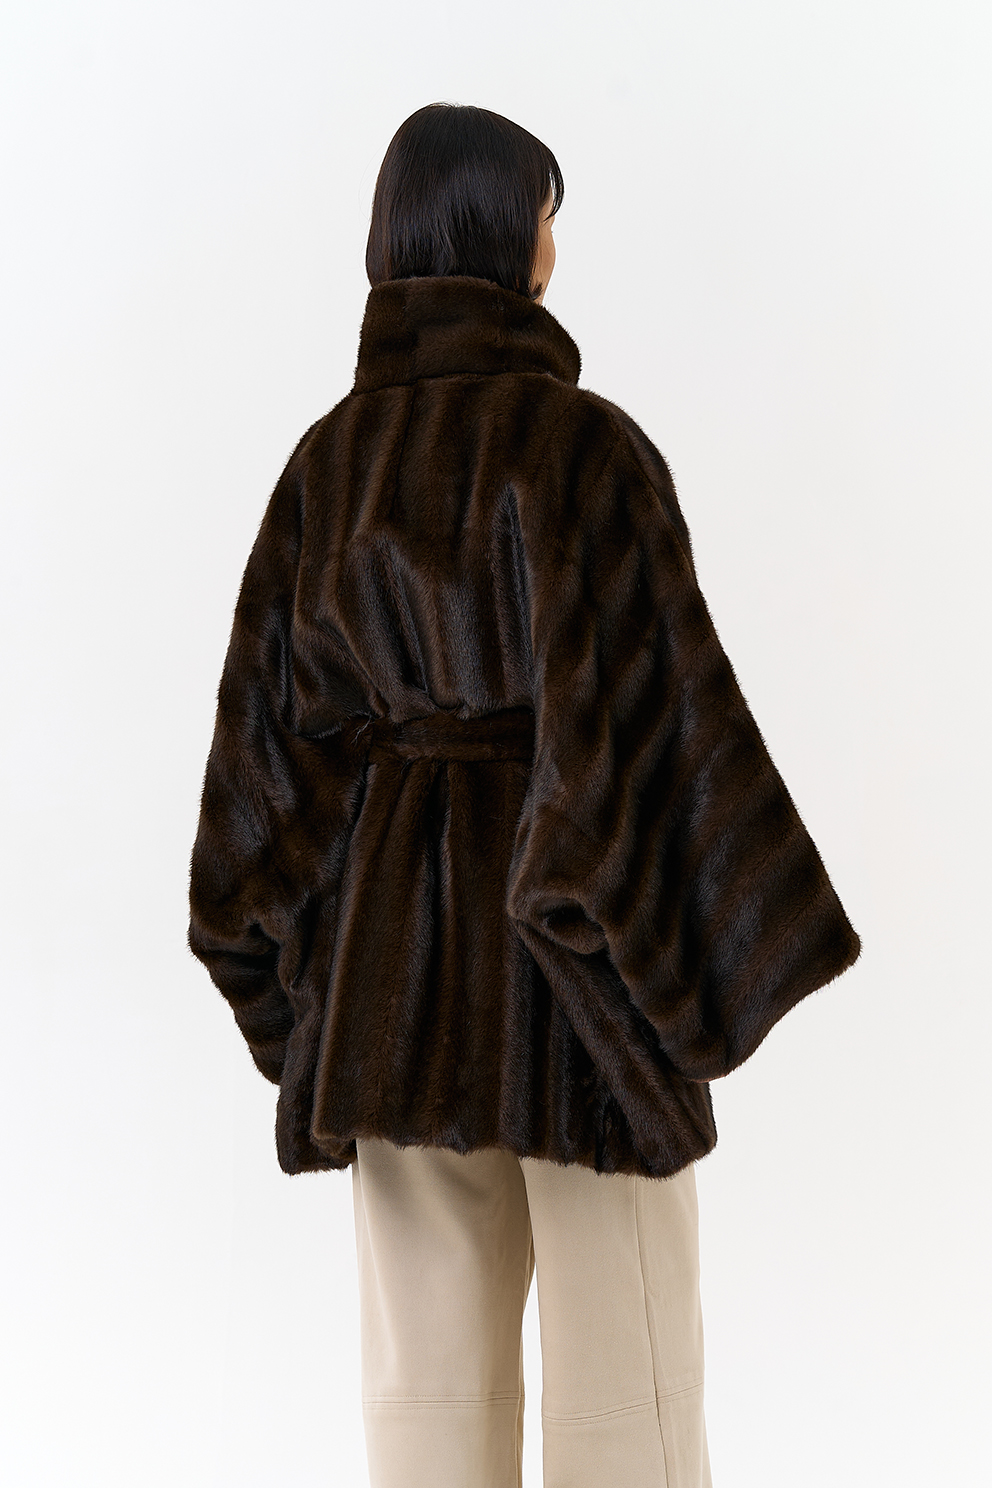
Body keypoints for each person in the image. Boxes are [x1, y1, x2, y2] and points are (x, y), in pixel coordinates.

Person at [187, 102, 861, 1488]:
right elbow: (663, 731)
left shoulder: (327, 469)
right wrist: (707, 967)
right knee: (633, 1408)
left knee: (428, 1411)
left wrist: (301, 1010)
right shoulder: (585, 451)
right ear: (507, 232)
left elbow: (262, 782)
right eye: (550, 212)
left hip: (390, 991)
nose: (558, 242)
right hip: (577, 997)